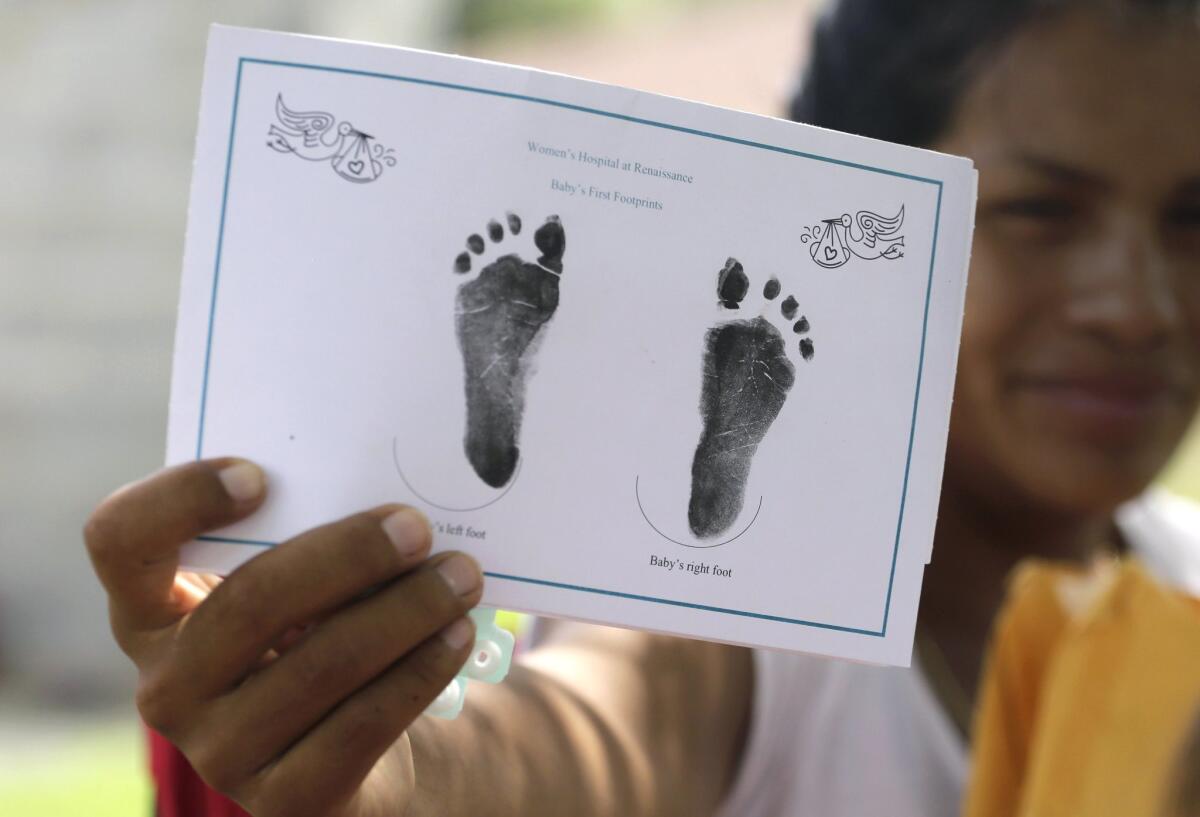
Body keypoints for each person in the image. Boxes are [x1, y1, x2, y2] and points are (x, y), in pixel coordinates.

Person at [83, 0, 1200, 815]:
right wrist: (395, 770)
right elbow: (591, 732)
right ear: (859, 221)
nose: (1142, 306)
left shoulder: (1185, 577)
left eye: (1194, 221)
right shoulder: (750, 633)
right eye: (1042, 211)